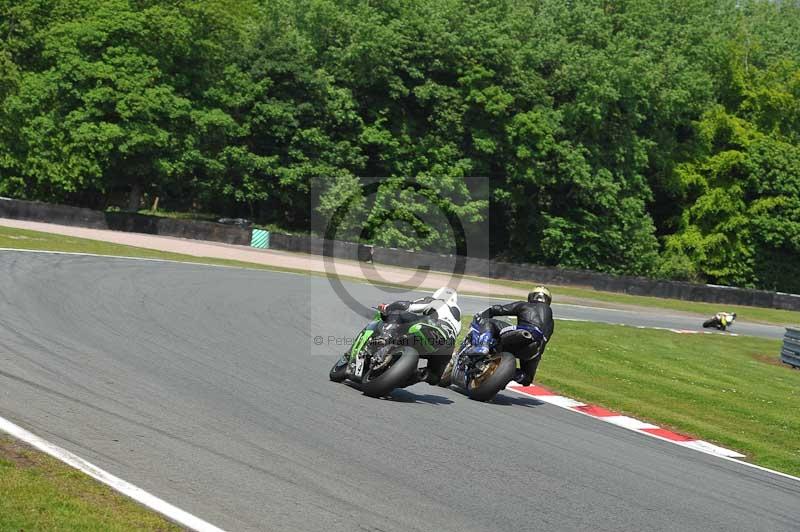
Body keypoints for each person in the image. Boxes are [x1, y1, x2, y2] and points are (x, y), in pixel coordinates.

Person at [443, 286, 554, 386]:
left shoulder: (525, 305)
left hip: (522, 333)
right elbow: (546, 338)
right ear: (548, 300)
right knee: (526, 379)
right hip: (534, 350)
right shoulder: (551, 322)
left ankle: (483, 346)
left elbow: (500, 309)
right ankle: (506, 373)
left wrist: (484, 314)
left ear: (531, 297)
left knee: (489, 322)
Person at [377, 287, 462, 385]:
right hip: (447, 347)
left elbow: (406, 306)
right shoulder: (458, 317)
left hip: (431, 330)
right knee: (434, 377)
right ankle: (417, 375)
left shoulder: (437, 301)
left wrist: (387, 307)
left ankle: (384, 338)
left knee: (398, 313)